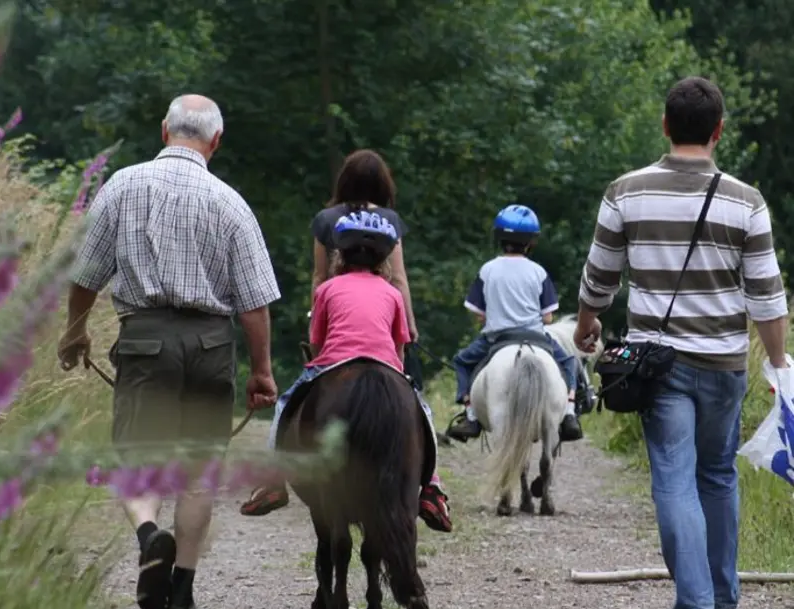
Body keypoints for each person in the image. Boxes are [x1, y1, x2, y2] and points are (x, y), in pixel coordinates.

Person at [57, 94, 281, 609]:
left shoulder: (122, 186)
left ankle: (148, 537)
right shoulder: (230, 203)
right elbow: (254, 306)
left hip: (144, 341)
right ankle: (182, 588)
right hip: (210, 345)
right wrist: (262, 373)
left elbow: (85, 276)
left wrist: (75, 332)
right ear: (216, 141)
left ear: (164, 131)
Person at [573, 76, 789, 609]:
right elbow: (767, 296)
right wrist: (780, 366)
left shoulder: (626, 191)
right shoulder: (748, 202)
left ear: (666, 125)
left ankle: (696, 601)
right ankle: (722, 596)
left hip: (658, 366)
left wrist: (585, 325)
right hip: (724, 365)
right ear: (719, 131)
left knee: (673, 480)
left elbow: (599, 278)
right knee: (716, 475)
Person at [239, 210, 452, 533]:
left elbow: (316, 341)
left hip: (333, 362)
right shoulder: (393, 293)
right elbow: (399, 349)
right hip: (385, 365)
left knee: (285, 403)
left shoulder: (327, 289)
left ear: (340, 254)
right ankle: (432, 488)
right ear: (383, 259)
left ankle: (273, 481)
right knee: (422, 410)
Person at [445, 204, 582, 443]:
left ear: (499, 238)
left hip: (497, 338)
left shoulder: (487, 270)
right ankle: (570, 412)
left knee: (461, 362)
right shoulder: (538, 272)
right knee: (569, 362)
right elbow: (548, 317)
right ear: (532, 242)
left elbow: (478, 314)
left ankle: (471, 416)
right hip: (537, 337)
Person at [308, 149, 418, 342]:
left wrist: (314, 327)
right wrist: (410, 325)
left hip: (337, 313)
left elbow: (320, 278)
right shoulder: (389, 220)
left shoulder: (325, 219)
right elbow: (398, 279)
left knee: (313, 371)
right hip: (381, 315)